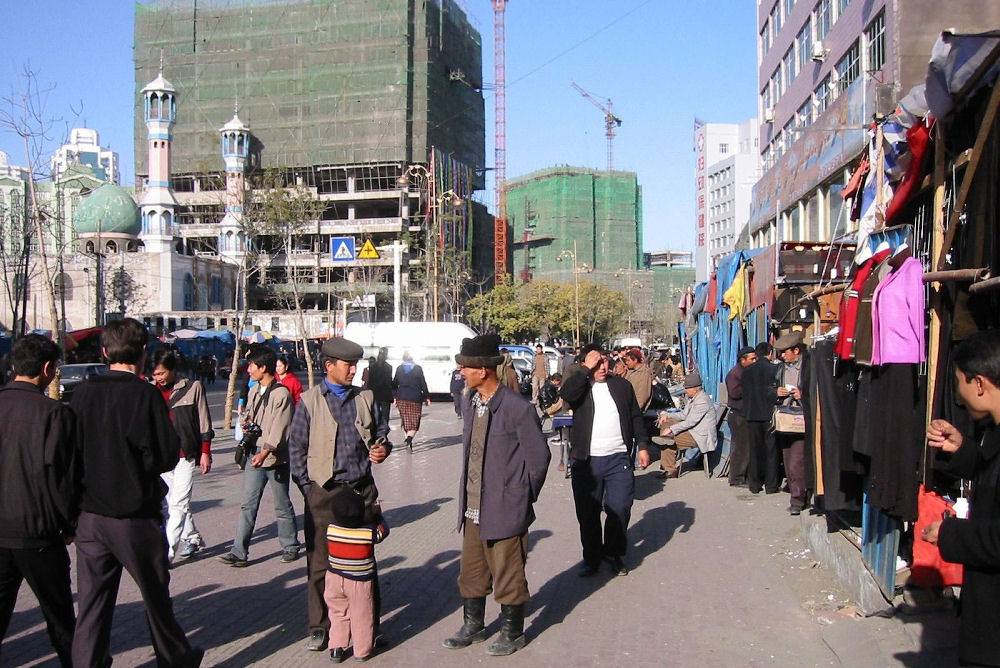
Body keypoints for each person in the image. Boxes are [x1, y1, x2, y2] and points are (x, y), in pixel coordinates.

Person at [70, 318, 202, 668]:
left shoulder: (82, 393)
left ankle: (88, 662)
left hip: (90, 517)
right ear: (143, 353)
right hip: (134, 516)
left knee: (92, 605)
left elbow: (69, 455)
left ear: (103, 351)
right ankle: (175, 659)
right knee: (156, 598)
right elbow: (163, 455)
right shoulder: (145, 394)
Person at [443, 334, 549, 656]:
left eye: (465, 367)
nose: (461, 372)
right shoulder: (469, 403)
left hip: (506, 508)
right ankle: (473, 625)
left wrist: (520, 496)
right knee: (472, 572)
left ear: (484, 370)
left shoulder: (517, 408)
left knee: (508, 573)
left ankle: (512, 632)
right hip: (473, 507)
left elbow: (539, 459)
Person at [288, 337, 391, 653]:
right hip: (324, 495)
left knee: (364, 566)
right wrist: (309, 490)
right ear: (329, 366)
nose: (353, 370)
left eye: (355, 365)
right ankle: (320, 627)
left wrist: (382, 449)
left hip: (360, 494)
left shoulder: (366, 398)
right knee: (320, 565)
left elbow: (381, 433)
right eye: (348, 365)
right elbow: (296, 450)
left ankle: (367, 628)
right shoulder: (309, 402)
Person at [0, 334, 79, 667]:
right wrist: (70, 524)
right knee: (59, 615)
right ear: (48, 369)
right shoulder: (53, 414)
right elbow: (63, 479)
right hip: (38, 530)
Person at [923, 329, 1000, 667]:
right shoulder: (992, 434)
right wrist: (964, 451)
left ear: (979, 384)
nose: (958, 394)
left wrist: (948, 533)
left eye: (960, 383)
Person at [559, 344, 651, 577]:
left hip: (617, 458)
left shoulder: (621, 386)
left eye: (605, 362)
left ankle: (614, 553)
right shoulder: (580, 388)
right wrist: (584, 369)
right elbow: (566, 394)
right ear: (587, 365)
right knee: (588, 514)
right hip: (586, 461)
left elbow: (635, 416)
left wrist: (642, 446)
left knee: (620, 507)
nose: (603, 367)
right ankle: (592, 557)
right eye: (596, 364)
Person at [219, 346, 301, 567]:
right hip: (255, 455)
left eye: (252, 366)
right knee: (248, 503)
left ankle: (290, 545)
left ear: (263, 367)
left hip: (275, 458)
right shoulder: (255, 391)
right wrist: (245, 423)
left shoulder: (281, 393)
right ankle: (239, 551)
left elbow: (281, 427)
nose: (248, 370)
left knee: (281, 504)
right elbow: (252, 418)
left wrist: (266, 451)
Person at [151, 349, 214, 562]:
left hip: (186, 454)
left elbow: (204, 422)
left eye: (161, 373)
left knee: (179, 502)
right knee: (175, 501)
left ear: (172, 370)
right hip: (162, 456)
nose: (158, 378)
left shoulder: (192, 388)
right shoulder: (150, 391)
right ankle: (193, 537)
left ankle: (168, 552)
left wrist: (205, 452)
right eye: (155, 374)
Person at [323, 487, 389, 663]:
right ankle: (361, 650)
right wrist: (378, 516)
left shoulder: (331, 529)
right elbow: (383, 531)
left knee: (337, 613)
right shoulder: (368, 532)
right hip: (359, 581)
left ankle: (336, 647)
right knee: (362, 614)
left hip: (334, 578)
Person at [654, 371, 717, 478]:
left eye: (687, 388)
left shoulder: (702, 401)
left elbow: (690, 421)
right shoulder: (694, 399)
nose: (685, 390)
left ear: (694, 388)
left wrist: (672, 429)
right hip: (693, 431)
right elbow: (684, 415)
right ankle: (666, 463)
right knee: (666, 422)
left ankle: (669, 469)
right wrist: (668, 416)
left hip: (700, 435)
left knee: (668, 440)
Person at [774, 331, 809, 515]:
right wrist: (776, 393)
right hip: (785, 421)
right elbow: (769, 389)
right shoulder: (780, 369)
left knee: (797, 462)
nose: (782, 355)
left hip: (802, 419)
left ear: (796, 350)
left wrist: (802, 394)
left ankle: (798, 500)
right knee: (788, 461)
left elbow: (817, 390)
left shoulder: (808, 366)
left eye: (785, 352)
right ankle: (798, 493)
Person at [743, 341, 780, 495]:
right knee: (771, 451)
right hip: (769, 415)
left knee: (754, 450)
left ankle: (754, 484)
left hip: (752, 415)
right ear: (770, 353)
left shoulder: (747, 372)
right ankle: (771, 486)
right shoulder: (774, 369)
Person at [725, 346, 757, 487]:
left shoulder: (748, 372)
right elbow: (735, 393)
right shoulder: (735, 374)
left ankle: (745, 475)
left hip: (746, 414)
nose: (755, 361)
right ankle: (736, 478)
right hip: (738, 415)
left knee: (747, 447)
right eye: (752, 359)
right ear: (742, 360)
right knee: (741, 448)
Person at [392, 351, 430, 451]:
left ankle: (407, 440)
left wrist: (395, 396)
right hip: (415, 397)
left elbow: (394, 383)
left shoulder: (399, 368)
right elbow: (423, 383)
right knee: (414, 421)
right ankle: (409, 439)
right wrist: (427, 396)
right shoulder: (417, 368)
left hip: (402, 397)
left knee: (405, 421)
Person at [365, 348, 394, 423]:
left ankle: (376, 431)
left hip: (375, 394)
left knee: (375, 414)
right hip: (385, 395)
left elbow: (370, 382)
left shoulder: (373, 366)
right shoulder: (389, 367)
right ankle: (383, 431)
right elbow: (389, 381)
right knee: (385, 416)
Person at [623, 348, 653, 412]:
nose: (626, 362)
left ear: (635, 360)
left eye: (628, 360)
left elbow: (642, 395)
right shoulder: (630, 371)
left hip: (635, 411)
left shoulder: (644, 373)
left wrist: (634, 410)